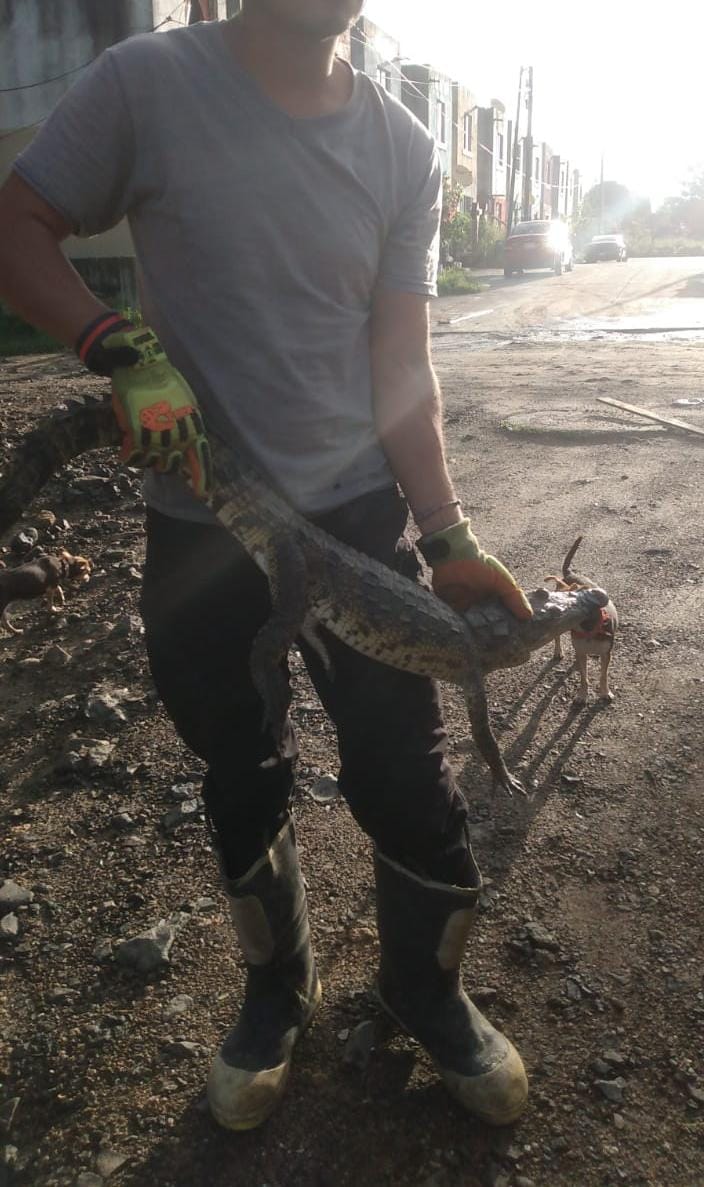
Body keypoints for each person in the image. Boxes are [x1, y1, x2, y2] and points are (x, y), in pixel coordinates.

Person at [0, 0, 532, 1133]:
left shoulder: (404, 144)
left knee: (404, 771)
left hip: (354, 519)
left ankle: (422, 987)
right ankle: (274, 988)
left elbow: (401, 361)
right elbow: (18, 221)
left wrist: (445, 534)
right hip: (200, 515)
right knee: (237, 763)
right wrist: (119, 347)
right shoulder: (143, 83)